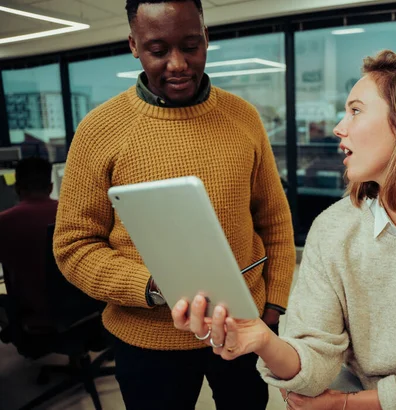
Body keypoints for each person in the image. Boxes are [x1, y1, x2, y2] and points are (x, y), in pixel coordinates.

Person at [172, 50, 396, 410]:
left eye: (355, 110)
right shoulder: (333, 227)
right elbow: (315, 357)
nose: (338, 128)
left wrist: (343, 404)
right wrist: (263, 340)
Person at [53, 0, 296, 409]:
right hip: (147, 339)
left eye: (191, 45)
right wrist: (152, 285)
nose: (179, 63)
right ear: (134, 45)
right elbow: (73, 246)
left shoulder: (244, 117)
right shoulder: (99, 131)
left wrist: (274, 304)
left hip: (242, 325)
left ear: (206, 38)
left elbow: (273, 218)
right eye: (159, 50)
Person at [0, 157, 58, 333]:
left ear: (17, 189)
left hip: (35, 317)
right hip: (84, 311)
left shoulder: (4, 222)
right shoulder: (72, 213)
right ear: (51, 187)